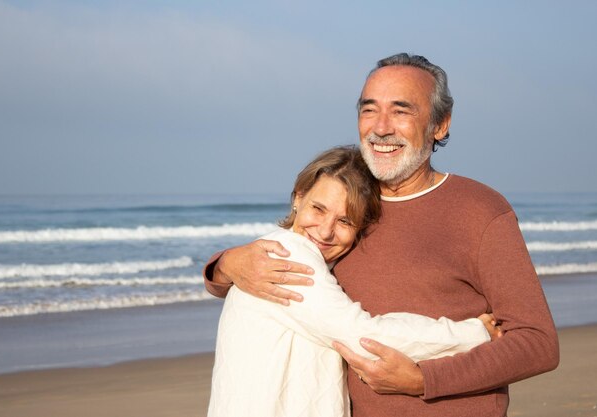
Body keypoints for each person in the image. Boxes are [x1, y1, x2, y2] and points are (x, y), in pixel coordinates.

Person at [203, 53, 559, 417]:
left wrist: (425, 379)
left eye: (401, 111)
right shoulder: (348, 200)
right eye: (369, 110)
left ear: (440, 124)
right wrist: (226, 266)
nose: (381, 127)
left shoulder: (480, 209)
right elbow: (287, 270)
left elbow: (537, 343)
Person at [208, 146, 499, 417]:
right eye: (318, 209)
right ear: (298, 198)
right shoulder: (288, 255)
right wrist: (472, 334)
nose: (324, 231)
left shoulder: (281, 250)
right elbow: (363, 336)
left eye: (345, 221)